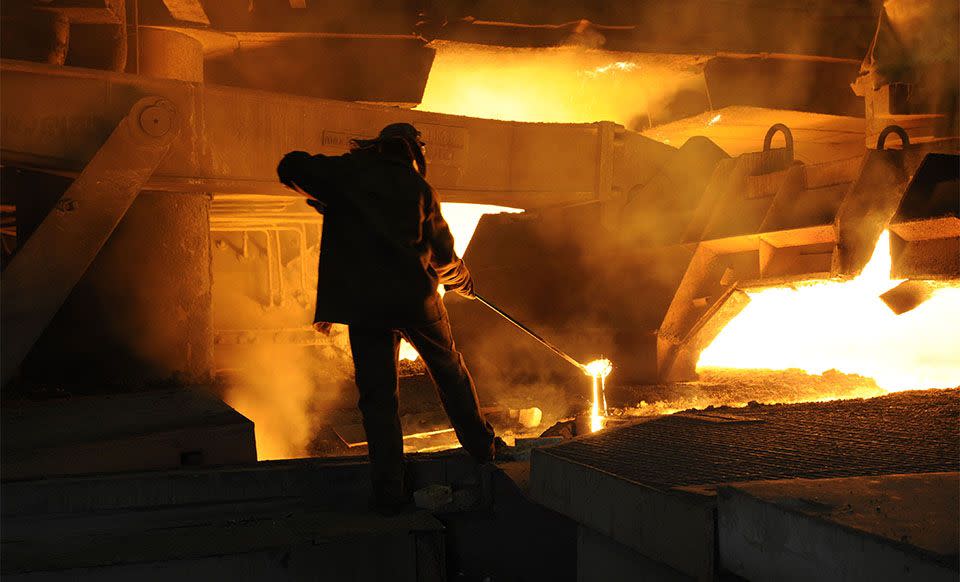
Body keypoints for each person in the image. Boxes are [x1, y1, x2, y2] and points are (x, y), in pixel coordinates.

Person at [277, 123, 498, 512]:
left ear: (376, 147)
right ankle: (485, 452)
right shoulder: (419, 189)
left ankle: (389, 492)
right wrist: (462, 280)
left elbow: (290, 165)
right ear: (413, 152)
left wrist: (327, 191)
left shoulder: (348, 175)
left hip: (367, 308)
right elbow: (443, 255)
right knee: (451, 375)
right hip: (417, 303)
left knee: (378, 400)